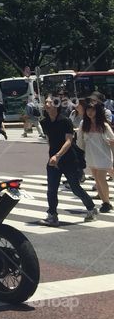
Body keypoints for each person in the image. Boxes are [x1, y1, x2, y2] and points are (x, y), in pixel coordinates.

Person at [42, 95, 97, 226]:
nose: (46, 104)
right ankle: (52, 215)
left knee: (75, 187)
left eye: (49, 102)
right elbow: (50, 140)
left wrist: (58, 155)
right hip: (54, 160)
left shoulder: (65, 121)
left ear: (56, 105)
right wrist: (52, 156)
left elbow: (69, 141)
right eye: (45, 102)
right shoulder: (44, 122)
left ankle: (91, 208)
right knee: (51, 189)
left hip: (68, 159)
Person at [78, 99, 114, 214]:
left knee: (100, 177)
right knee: (96, 178)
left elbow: (112, 139)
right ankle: (104, 202)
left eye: (93, 110)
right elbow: (80, 140)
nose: (90, 112)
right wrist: (81, 153)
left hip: (104, 155)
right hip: (91, 154)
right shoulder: (83, 124)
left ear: (97, 111)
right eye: (88, 109)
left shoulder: (104, 125)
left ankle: (107, 202)